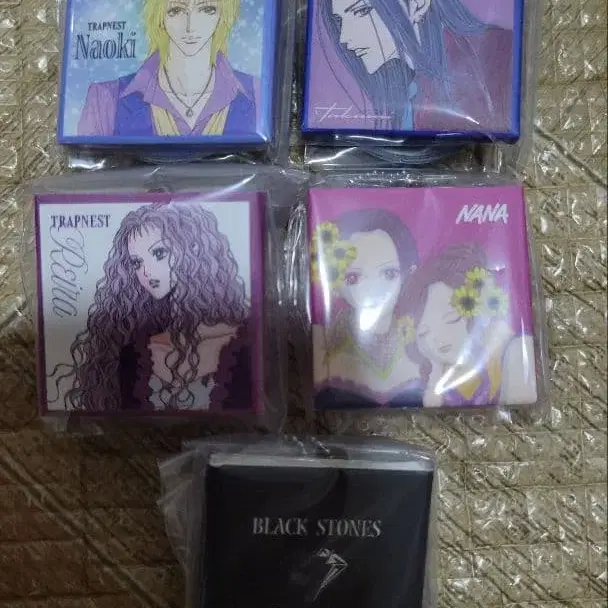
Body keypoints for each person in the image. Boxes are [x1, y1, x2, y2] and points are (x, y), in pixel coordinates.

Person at [51, 202, 251, 412]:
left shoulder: (244, 343)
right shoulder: (133, 353)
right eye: (137, 263)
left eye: (159, 253)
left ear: (194, 250)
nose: (146, 272)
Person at [316, 0, 514, 132]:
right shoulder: (408, 93)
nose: (344, 38)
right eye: (340, 20)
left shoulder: (498, 56)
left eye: (361, 11)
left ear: (417, 3)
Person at [78, 0, 258, 137]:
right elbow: (87, 168)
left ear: (222, 15)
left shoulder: (258, 93)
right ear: (160, 17)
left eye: (206, 9)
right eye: (176, 10)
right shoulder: (104, 100)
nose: (190, 27)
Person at [312, 209, 422, 408]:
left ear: (407, 275)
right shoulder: (322, 341)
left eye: (389, 274)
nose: (374, 289)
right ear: (334, 283)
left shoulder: (422, 339)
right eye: (353, 278)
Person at [404, 243, 537, 408]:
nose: (437, 339)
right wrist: (435, 371)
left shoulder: (514, 350)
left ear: (476, 309)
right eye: (423, 333)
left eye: (451, 319)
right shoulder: (428, 383)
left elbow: (522, 397)